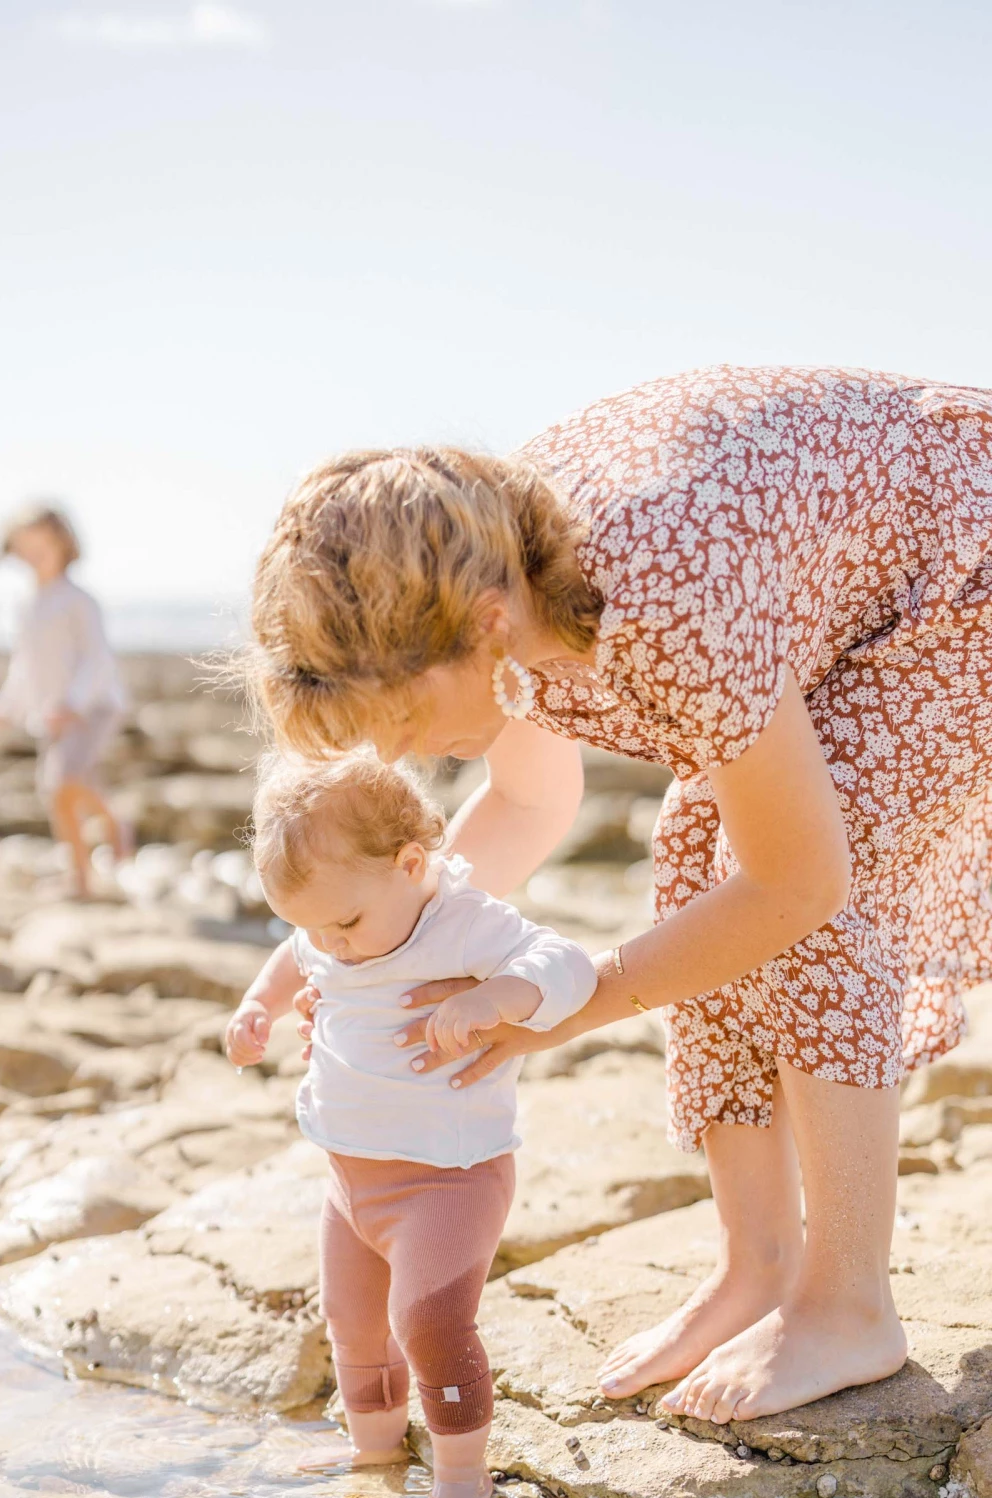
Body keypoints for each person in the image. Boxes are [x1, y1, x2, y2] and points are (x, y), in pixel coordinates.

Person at [245, 366, 992, 1427]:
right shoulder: (494, 574)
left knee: (828, 890)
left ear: (487, 627)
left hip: (961, 574)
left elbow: (803, 880)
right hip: (824, 571)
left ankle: (850, 1305)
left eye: (401, 721)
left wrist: (571, 1008)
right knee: (696, 849)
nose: (399, 757)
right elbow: (526, 799)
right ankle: (760, 1263)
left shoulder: (657, 587)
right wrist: (352, 947)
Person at [224, 753, 596, 1498]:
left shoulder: (462, 923)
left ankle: (462, 1473)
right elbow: (291, 959)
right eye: (312, 926)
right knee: (353, 1324)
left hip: (448, 1179)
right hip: (348, 1181)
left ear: (411, 865)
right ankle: (374, 1449)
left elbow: (562, 963)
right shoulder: (330, 932)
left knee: (429, 1324)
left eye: (346, 923)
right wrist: (261, 1005)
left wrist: (502, 993)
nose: (333, 944)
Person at [0, 503, 129, 896]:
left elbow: (97, 659)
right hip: (53, 714)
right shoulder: (27, 606)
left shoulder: (79, 601)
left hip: (94, 708)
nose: (32, 559)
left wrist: (73, 701)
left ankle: (114, 826)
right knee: (62, 793)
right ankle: (82, 876)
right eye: (25, 552)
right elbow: (24, 667)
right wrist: (7, 705)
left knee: (61, 782)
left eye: (41, 550)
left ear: (64, 546)